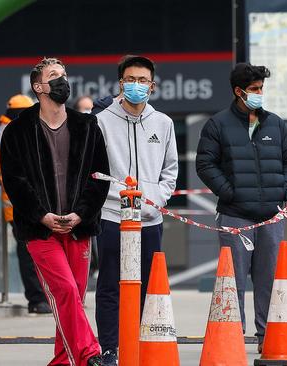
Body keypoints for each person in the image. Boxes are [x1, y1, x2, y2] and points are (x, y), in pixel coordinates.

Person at [0, 57, 109, 366]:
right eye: (54, 76)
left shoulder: (87, 126)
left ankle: (62, 361)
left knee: (72, 297)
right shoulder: (17, 131)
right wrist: (41, 215)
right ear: (39, 86)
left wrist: (82, 214)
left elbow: (100, 176)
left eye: (64, 75)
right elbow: (14, 182)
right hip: (40, 229)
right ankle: (90, 353)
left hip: (79, 226)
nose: (62, 80)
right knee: (64, 290)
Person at [196, 62, 287, 352]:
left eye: (261, 89)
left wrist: (285, 190)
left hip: (270, 217)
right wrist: (231, 192)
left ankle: (267, 336)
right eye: (254, 89)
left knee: (268, 280)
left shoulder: (275, 124)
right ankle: (234, 337)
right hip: (234, 215)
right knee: (233, 281)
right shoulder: (217, 124)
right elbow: (204, 163)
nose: (259, 94)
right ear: (238, 91)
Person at [95, 55, 178, 365]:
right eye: (131, 80)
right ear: (120, 83)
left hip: (150, 219)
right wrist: (121, 197)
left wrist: (154, 197)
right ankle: (110, 349)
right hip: (112, 216)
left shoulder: (164, 123)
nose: (137, 86)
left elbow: (170, 172)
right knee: (110, 286)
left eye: (143, 81)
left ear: (152, 86)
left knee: (148, 285)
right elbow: (95, 171)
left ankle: (143, 346)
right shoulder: (101, 122)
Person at [0, 94, 51, 313]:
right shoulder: (10, 132)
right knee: (30, 253)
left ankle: (41, 298)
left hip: (24, 205)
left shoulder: (3, 130)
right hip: (19, 205)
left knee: (35, 252)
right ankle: (37, 299)